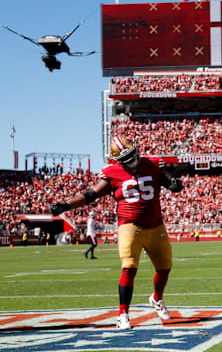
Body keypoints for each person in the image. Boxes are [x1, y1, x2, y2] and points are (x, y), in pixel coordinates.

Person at [49, 135, 183, 330]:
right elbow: (90, 194)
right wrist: (66, 205)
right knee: (129, 267)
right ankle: (123, 314)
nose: (132, 160)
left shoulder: (152, 164)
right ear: (118, 161)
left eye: (132, 155)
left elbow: (169, 181)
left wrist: (174, 184)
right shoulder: (112, 173)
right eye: (126, 158)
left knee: (165, 268)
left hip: (155, 225)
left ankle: (157, 298)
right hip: (130, 226)